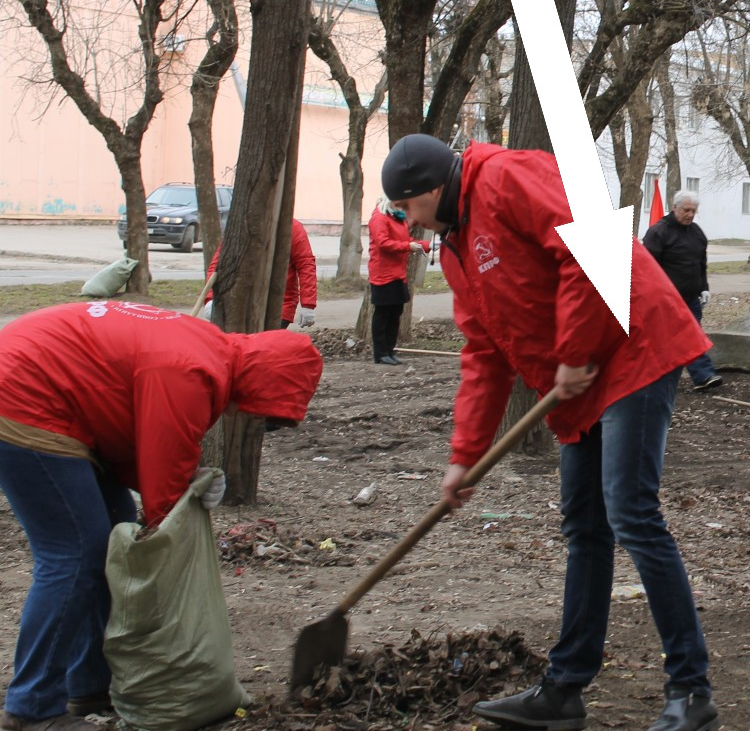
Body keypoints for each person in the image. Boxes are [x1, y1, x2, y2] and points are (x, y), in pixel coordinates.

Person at [382, 134, 722, 731]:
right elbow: (484, 354)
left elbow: (589, 247)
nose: (408, 221)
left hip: (634, 345)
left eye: (406, 208)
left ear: (430, 191)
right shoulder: (458, 250)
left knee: (631, 513)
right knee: (585, 526)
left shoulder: (507, 178)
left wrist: (571, 349)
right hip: (582, 379)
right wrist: (465, 457)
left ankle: (691, 692)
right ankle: (564, 690)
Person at [0, 301, 322, 731]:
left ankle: (90, 686)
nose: (244, 413)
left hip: (55, 396)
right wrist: (173, 532)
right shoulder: (191, 371)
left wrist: (189, 482)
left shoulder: (206, 351)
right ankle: (32, 708)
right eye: (257, 406)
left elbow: (136, 438)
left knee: (111, 537)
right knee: (77, 554)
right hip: (24, 393)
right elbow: (161, 482)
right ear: (261, 380)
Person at [642, 191, 722, 392]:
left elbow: (700, 263)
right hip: (667, 299)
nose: (690, 214)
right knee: (689, 336)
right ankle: (703, 375)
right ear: (675, 207)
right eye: (686, 210)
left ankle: (655, 375)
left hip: (691, 297)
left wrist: (704, 288)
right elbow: (647, 267)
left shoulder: (696, 233)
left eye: (693, 211)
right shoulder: (658, 232)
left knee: (676, 338)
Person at [204, 218, 318, 329]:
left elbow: (305, 265)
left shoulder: (292, 228)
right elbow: (218, 265)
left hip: (279, 307)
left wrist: (308, 304)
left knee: (264, 344)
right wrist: (210, 299)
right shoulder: (241, 226)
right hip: (240, 304)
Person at [368, 197, 429, 366]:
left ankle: (389, 350)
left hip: (397, 274)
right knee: (383, 314)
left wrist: (427, 245)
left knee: (395, 313)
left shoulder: (398, 219)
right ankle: (380, 353)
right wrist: (408, 247)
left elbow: (406, 241)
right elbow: (383, 243)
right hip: (382, 274)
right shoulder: (379, 218)